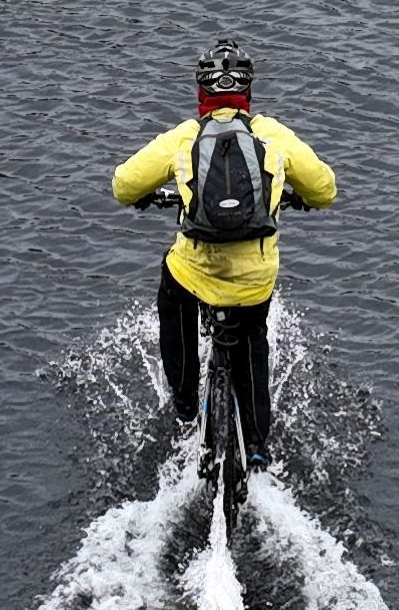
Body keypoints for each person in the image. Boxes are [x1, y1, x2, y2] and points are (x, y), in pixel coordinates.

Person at [111, 46, 338, 466]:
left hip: (196, 270)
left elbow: (123, 184)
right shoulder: (272, 135)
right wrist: (297, 195)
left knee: (173, 292)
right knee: (253, 339)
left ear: (201, 93)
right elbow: (325, 190)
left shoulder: (185, 137)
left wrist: (148, 195)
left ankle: (183, 403)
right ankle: (254, 445)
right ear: (249, 91)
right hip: (255, 278)